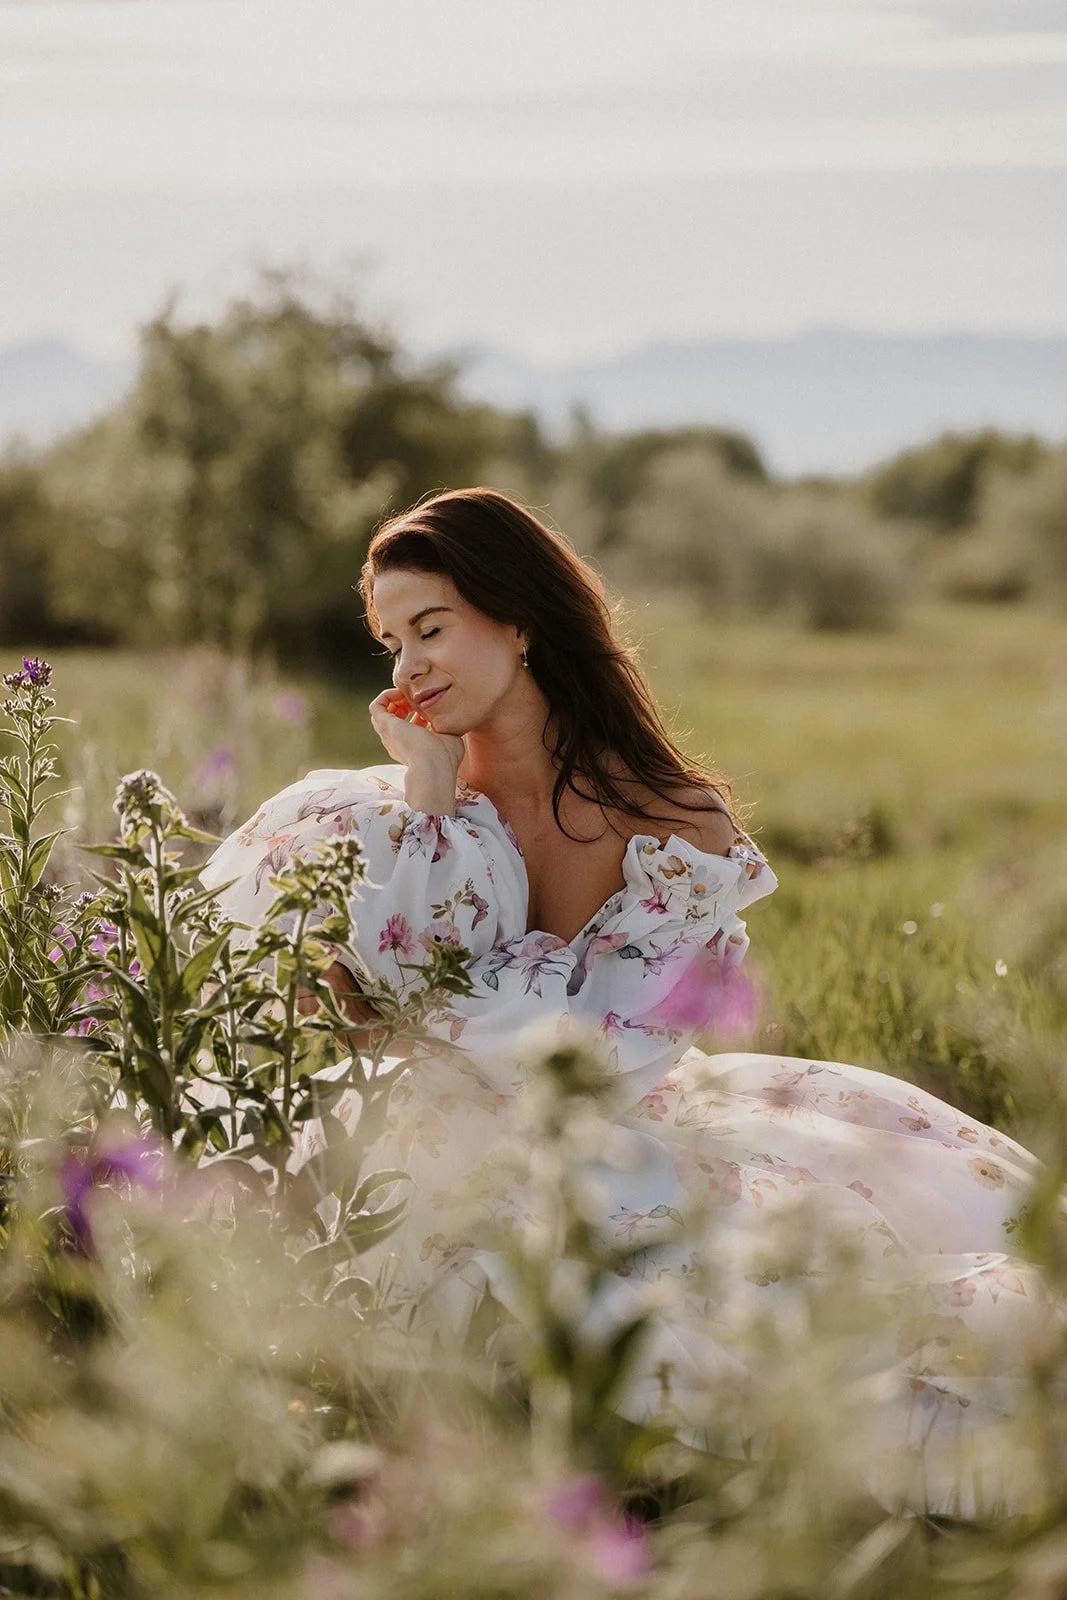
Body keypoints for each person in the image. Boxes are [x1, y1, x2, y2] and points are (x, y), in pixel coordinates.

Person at [203, 488, 1047, 1516]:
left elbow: (606, 1050)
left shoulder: (674, 822)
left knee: (747, 1293)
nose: (406, 667)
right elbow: (332, 1009)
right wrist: (425, 809)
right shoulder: (394, 814)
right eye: (390, 643)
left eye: (430, 628)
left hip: (606, 1122)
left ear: (518, 620)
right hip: (428, 1125)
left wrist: (428, 1012)